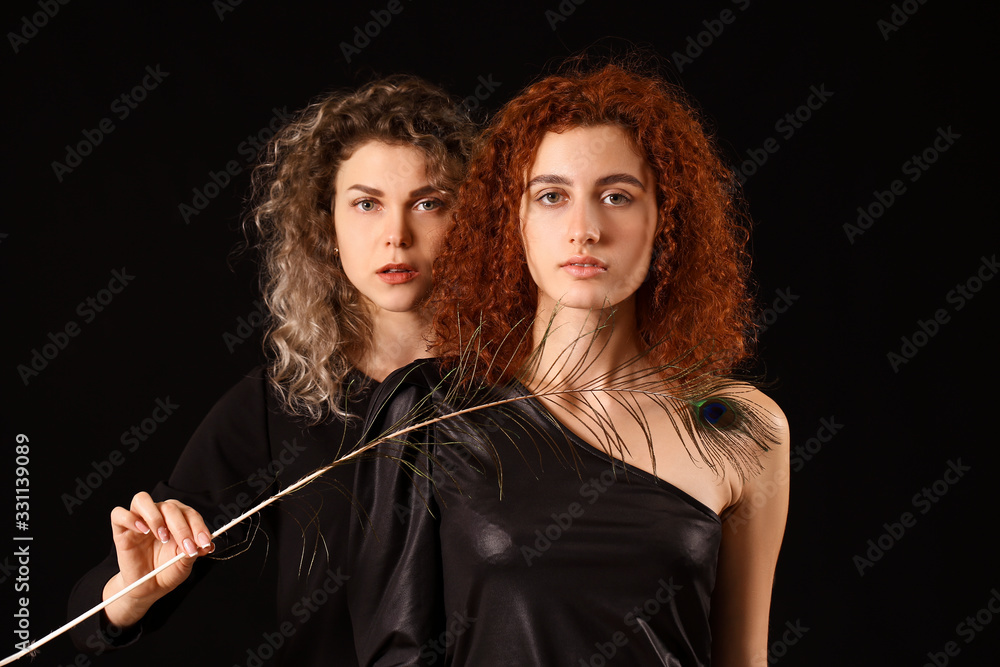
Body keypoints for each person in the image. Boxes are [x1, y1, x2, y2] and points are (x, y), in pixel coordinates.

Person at [363, 61, 790, 667]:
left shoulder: (744, 427)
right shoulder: (432, 411)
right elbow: (392, 654)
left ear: (665, 219)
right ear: (514, 220)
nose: (584, 229)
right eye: (552, 196)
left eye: (616, 196)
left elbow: (744, 658)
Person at [67, 75, 475, 666]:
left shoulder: (528, 387)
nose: (396, 235)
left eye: (429, 203)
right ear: (326, 228)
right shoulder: (278, 405)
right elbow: (91, 617)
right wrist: (134, 592)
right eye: (366, 204)